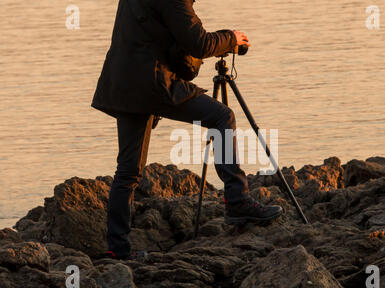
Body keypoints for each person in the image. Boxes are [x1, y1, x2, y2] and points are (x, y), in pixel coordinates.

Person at [91, 0, 282, 260]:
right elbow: (200, 44)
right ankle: (237, 201)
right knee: (222, 116)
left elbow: (159, 33)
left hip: (124, 83)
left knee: (128, 170)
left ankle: (117, 249)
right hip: (152, 83)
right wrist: (231, 38)